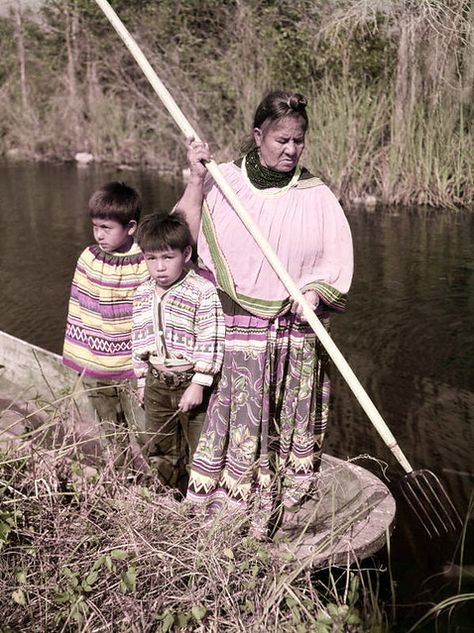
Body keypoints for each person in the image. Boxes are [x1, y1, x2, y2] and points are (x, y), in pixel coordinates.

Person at [175, 90, 354, 537]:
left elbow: (335, 261)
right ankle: (228, 507)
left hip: (294, 331)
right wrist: (196, 180)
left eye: (299, 141)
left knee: (285, 416)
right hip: (238, 328)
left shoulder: (316, 195)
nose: (291, 150)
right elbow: (182, 239)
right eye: (281, 140)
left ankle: (283, 505)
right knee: (236, 416)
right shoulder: (225, 183)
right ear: (258, 136)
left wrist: (313, 292)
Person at [131, 212, 224, 493]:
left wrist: (198, 384)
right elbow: (139, 338)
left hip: (193, 383)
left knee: (201, 450)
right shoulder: (143, 292)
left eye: (167, 258)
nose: (159, 267)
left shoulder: (202, 291)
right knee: (160, 446)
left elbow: (211, 338)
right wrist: (142, 380)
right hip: (157, 382)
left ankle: (204, 504)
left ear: (185, 254)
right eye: (151, 258)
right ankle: (170, 499)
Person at [63, 181, 149, 456]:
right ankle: (122, 476)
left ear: (131, 227)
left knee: (144, 427)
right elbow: (79, 309)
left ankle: (159, 485)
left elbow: (150, 312)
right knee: (111, 426)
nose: (99, 235)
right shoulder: (89, 258)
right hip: (96, 360)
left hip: (134, 365)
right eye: (95, 227)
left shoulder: (145, 261)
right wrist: (80, 355)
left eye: (107, 228)